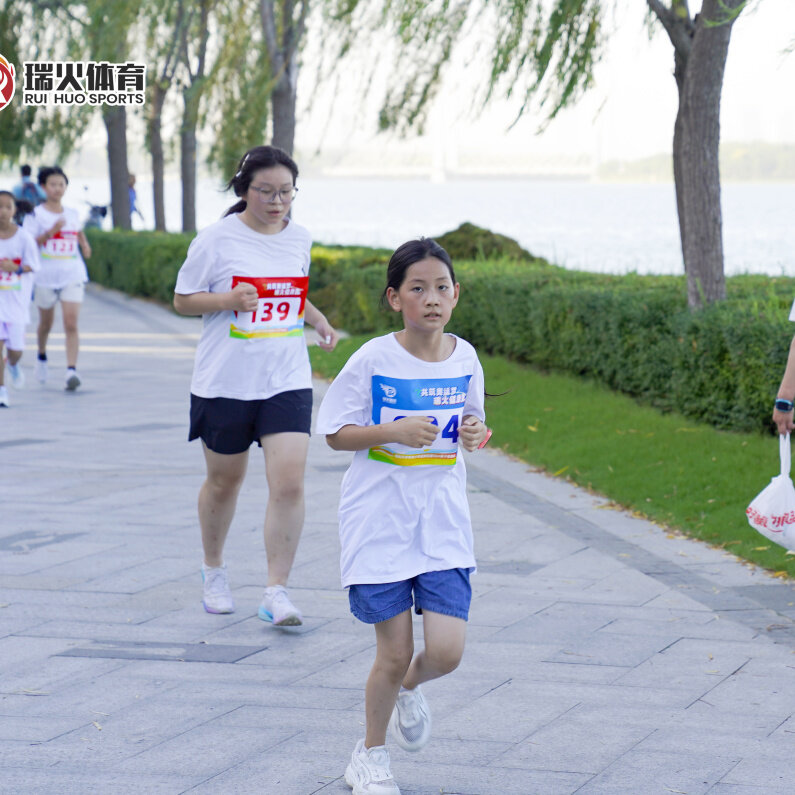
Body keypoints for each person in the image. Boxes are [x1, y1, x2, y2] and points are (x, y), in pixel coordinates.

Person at [315, 238, 491, 795]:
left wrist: (473, 432)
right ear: (395, 298)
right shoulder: (373, 358)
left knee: (445, 651)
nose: (431, 299)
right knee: (391, 653)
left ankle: (410, 689)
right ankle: (369, 756)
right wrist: (391, 431)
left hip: (441, 523)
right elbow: (335, 434)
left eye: (441, 288)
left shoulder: (465, 358)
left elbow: (474, 426)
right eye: (418, 289)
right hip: (380, 522)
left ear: (456, 295)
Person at [173, 144, 338, 625]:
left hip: (285, 378)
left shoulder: (299, 238)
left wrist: (317, 319)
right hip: (225, 381)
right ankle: (214, 569)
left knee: (288, 483)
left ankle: (276, 591)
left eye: (286, 192)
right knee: (225, 482)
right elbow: (184, 299)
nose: (277, 201)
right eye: (266, 191)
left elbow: (292, 293)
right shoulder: (216, 240)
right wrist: (226, 298)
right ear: (244, 189)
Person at [22, 166, 91, 391]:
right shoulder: (35, 215)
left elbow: (78, 232)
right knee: (46, 324)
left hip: (72, 272)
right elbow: (29, 245)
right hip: (45, 276)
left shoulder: (71, 213)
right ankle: (41, 355)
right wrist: (51, 231)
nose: (57, 189)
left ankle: (71, 370)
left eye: (61, 184)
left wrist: (85, 244)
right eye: (53, 184)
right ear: (43, 187)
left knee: (71, 323)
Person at [0, 191, 40, 407]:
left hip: (16, 303)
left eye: (8, 207)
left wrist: (15, 268)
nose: (3, 212)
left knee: (15, 350)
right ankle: (2, 391)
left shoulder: (23, 237)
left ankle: (13, 365)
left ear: (15, 211)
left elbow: (34, 265)